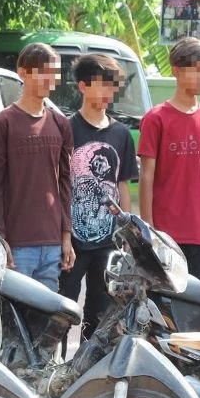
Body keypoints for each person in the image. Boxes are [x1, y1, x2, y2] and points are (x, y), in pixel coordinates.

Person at [0, 42, 74, 290]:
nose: (50, 80)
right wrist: (0, 238)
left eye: (54, 73)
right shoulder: (2, 123)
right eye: (43, 72)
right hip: (16, 245)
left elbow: (65, 184)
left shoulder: (61, 124)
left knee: (47, 313)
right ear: (23, 73)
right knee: (15, 312)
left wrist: (66, 235)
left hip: (53, 244)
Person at [60, 53, 138, 339]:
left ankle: (88, 363)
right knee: (62, 311)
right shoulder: (66, 129)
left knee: (99, 314)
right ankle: (53, 362)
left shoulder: (121, 134)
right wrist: (63, 234)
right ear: (83, 86)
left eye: (112, 85)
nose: (108, 91)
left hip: (108, 242)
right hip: (72, 242)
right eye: (102, 84)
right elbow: (60, 186)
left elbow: (122, 186)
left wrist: (128, 234)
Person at [138, 36, 200, 280]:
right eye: (197, 70)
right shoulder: (155, 118)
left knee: (194, 298)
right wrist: (148, 229)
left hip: (199, 233)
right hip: (163, 234)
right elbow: (146, 176)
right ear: (176, 70)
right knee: (160, 300)